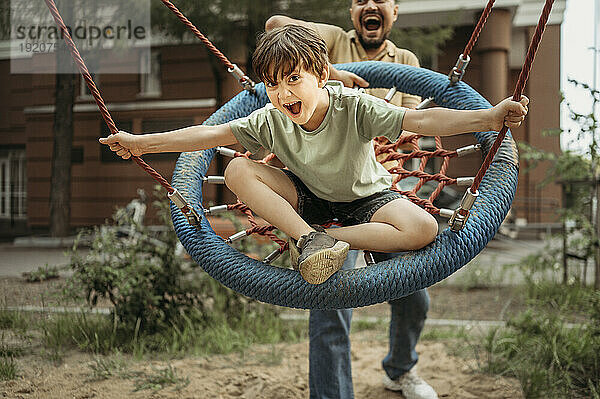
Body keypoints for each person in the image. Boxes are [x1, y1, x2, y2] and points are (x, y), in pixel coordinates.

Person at [99, 23, 526, 384]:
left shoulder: (353, 106)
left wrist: (488, 119)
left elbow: (421, 120)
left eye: (292, 79)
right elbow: (207, 137)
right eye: (272, 84)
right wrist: (141, 143)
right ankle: (308, 239)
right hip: (305, 200)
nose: (283, 94)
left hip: (367, 199)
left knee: (424, 229)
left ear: (321, 75)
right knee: (236, 170)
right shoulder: (270, 118)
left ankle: (323, 241)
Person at [265, 2, 437, 397]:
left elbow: (403, 133)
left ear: (395, 11)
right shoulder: (330, 41)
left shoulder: (405, 60)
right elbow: (276, 25)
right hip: (323, 192)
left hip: (372, 189)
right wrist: (330, 71)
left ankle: (399, 368)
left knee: (414, 296)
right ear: (352, 10)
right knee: (329, 303)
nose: (371, 5)